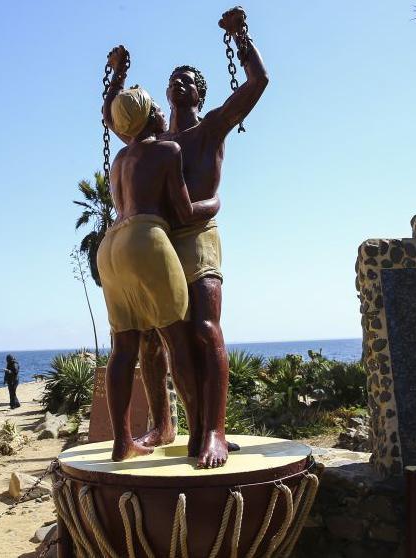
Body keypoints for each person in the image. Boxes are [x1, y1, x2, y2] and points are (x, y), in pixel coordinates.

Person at [103, 7, 268, 468]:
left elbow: (256, 84)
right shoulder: (152, 139)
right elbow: (113, 117)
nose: (179, 83)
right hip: (158, 242)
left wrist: (242, 37)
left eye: (189, 80)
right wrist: (116, 79)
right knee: (153, 342)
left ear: (201, 92)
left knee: (202, 329)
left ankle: (213, 431)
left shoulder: (210, 127)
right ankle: (164, 423)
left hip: (195, 239)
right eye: (174, 79)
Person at [98, 82, 218, 463]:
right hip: (145, 239)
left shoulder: (119, 159)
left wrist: (116, 81)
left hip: (110, 247)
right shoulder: (168, 150)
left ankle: (123, 443)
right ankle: (201, 434)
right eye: (157, 107)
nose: (165, 110)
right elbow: (183, 212)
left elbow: (113, 116)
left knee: (123, 348)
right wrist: (213, 204)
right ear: (151, 114)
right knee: (177, 340)